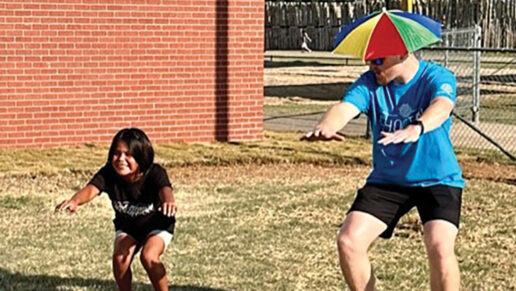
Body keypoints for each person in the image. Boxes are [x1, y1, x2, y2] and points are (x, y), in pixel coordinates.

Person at [302, 53, 465, 291]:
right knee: (349, 242)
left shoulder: (436, 76)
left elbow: (442, 106)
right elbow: (345, 107)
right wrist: (326, 126)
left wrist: (417, 127)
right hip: (388, 181)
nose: (372, 66)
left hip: (438, 178)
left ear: (402, 53)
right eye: (368, 60)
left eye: (378, 60)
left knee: (439, 246)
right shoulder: (369, 82)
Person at [55, 128, 178, 291]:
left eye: (128, 154)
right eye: (116, 153)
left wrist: (168, 201)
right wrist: (75, 200)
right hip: (128, 226)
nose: (121, 159)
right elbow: (92, 189)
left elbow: (165, 189)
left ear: (142, 156)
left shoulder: (154, 172)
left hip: (157, 223)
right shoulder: (108, 173)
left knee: (148, 257)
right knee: (120, 258)